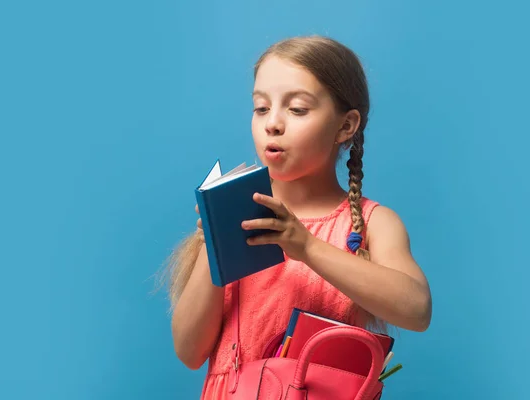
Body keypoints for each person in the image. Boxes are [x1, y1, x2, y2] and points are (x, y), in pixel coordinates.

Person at [163, 35, 432, 399]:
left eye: (298, 109)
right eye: (261, 108)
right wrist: (216, 243)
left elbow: (417, 311)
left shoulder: (371, 223)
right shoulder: (238, 216)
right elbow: (190, 352)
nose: (272, 124)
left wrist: (305, 246)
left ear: (345, 126)